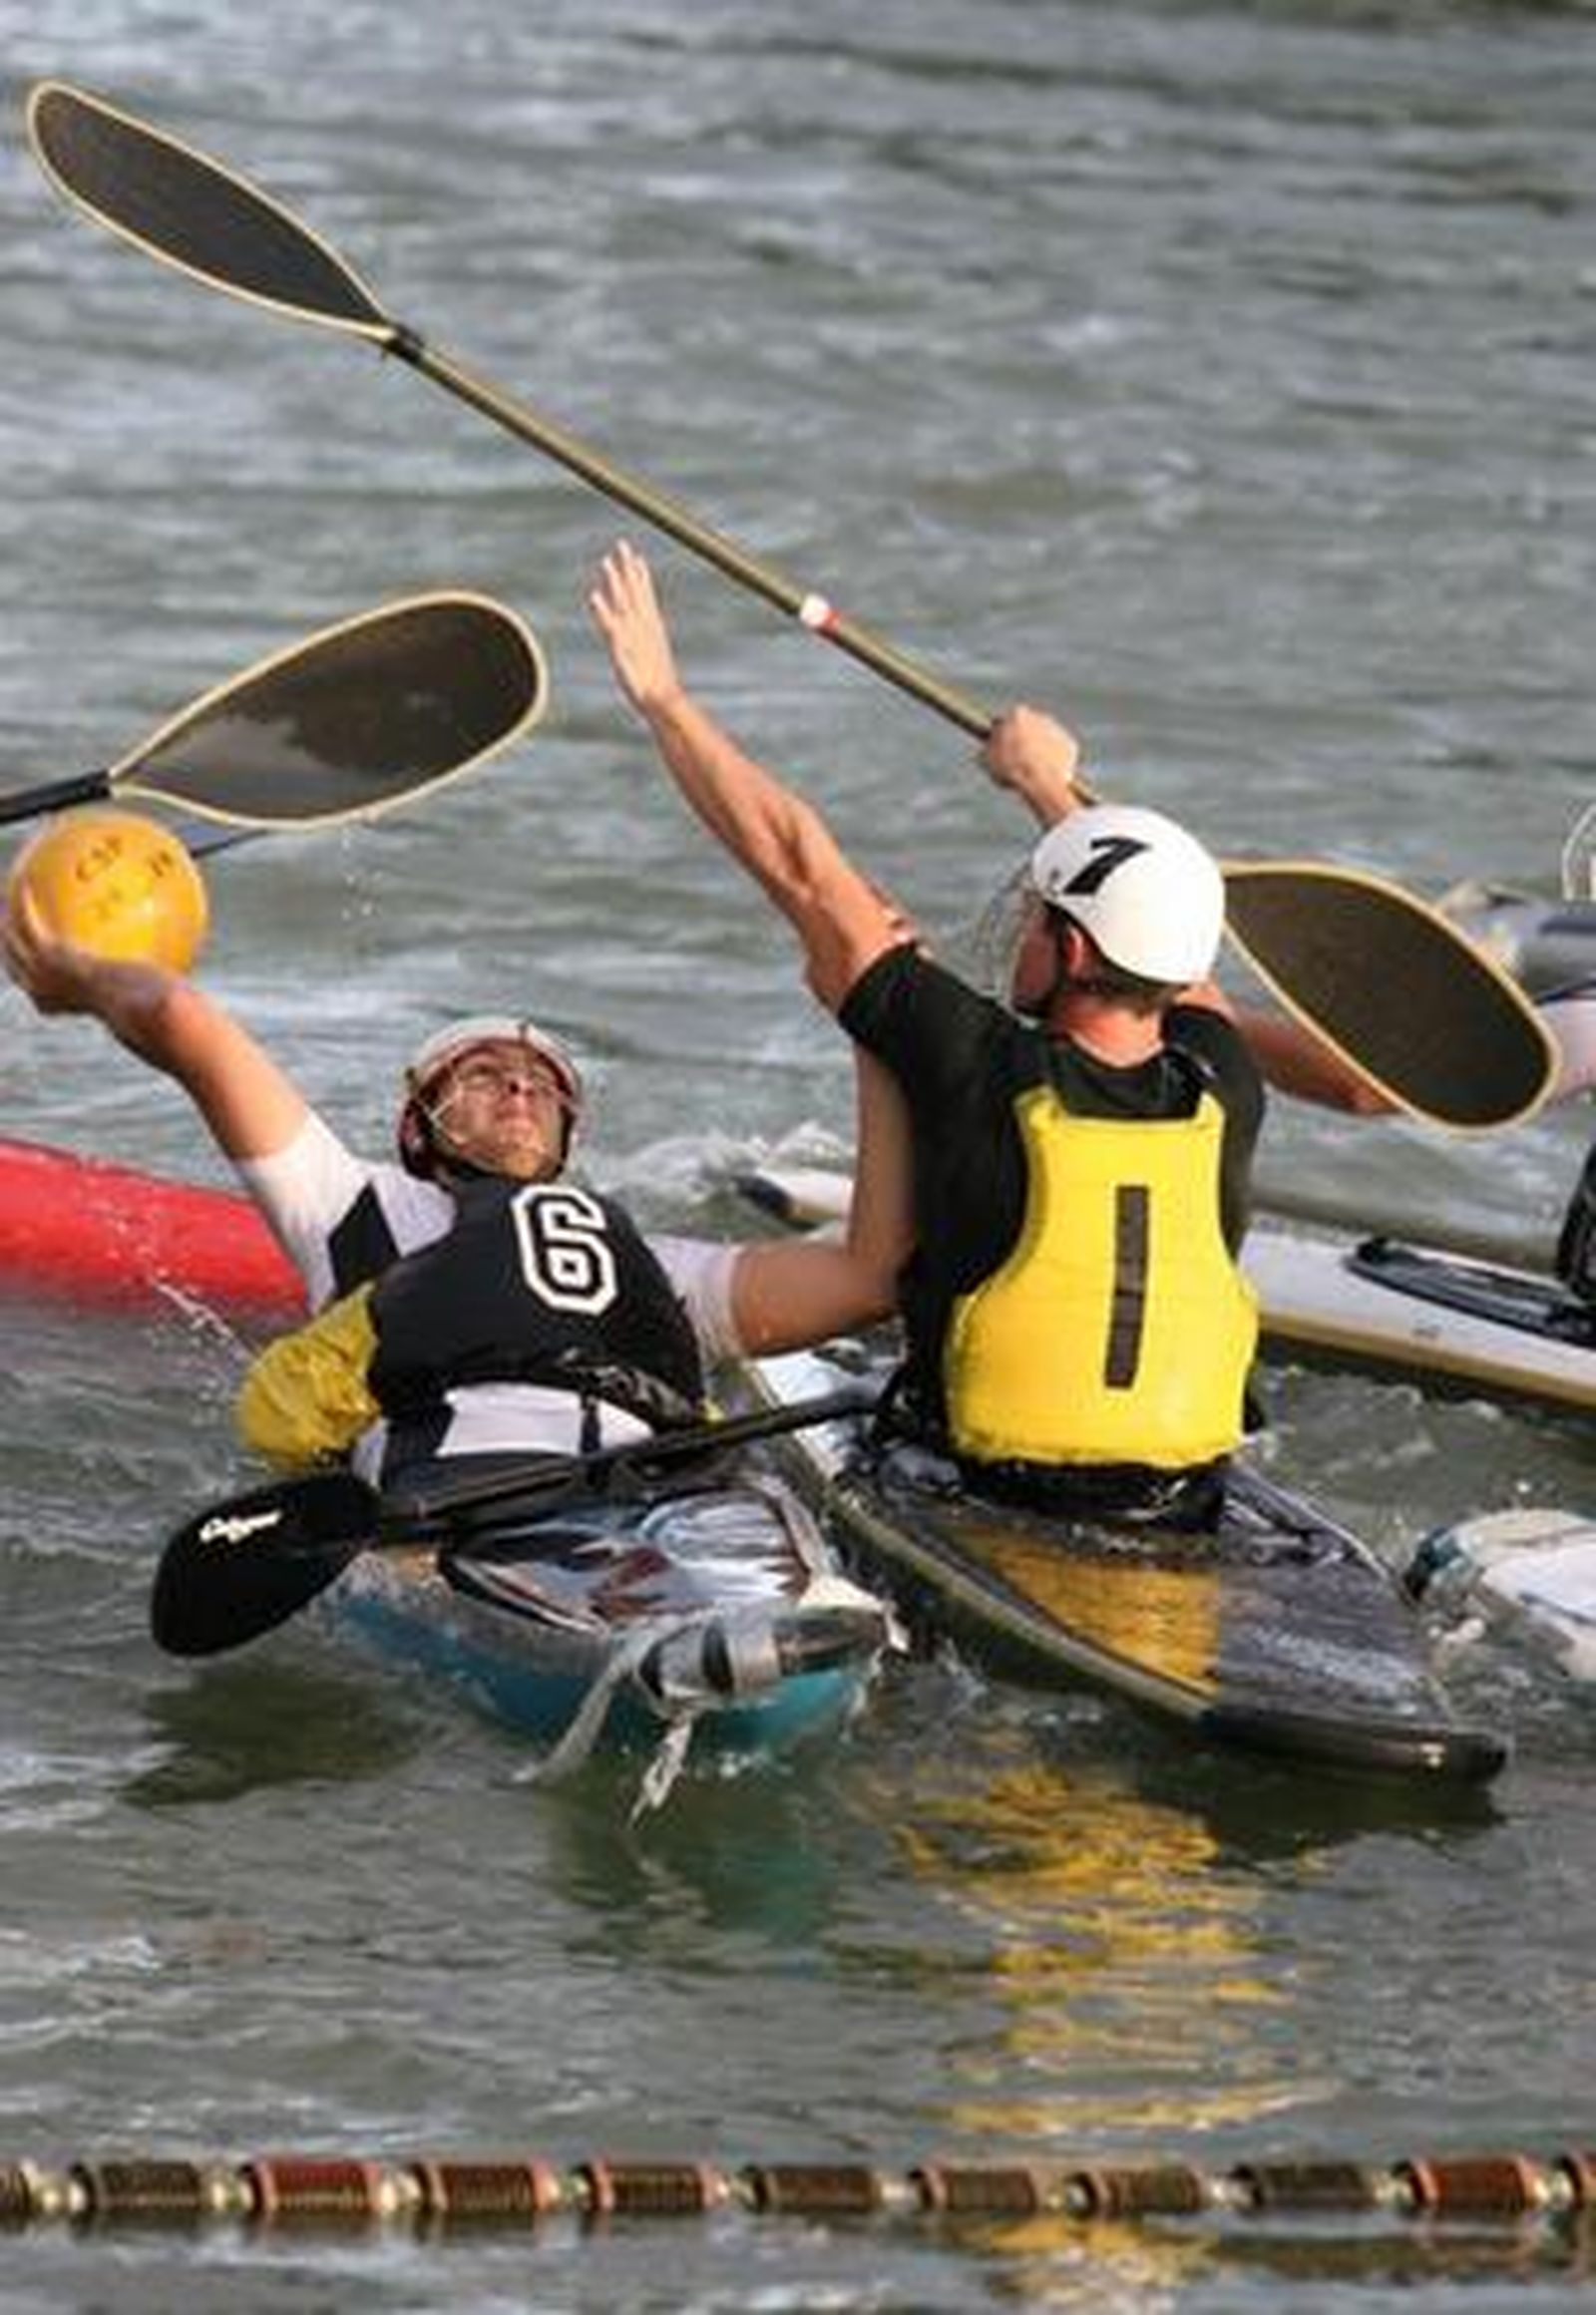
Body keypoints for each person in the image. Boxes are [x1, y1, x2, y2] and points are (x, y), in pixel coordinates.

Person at [590, 540, 1265, 1525]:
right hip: (1184, 1496)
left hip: (984, 1490)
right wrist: (1049, 788)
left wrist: (665, 702)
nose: (1018, 929)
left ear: (1073, 951)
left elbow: (802, 867)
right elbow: (1176, 934)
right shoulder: (1225, 1076)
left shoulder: (973, 1058)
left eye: (1039, 917)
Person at [3, 889, 912, 1489]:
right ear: (417, 1125)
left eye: (542, 1082)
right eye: (482, 1073)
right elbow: (178, 1017)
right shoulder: (349, 1205)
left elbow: (867, 1277)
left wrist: (876, 1016)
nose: (520, 1088)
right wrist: (77, 974)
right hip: (452, 1505)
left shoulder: (655, 1266)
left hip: (645, 1519)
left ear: (568, 1134)